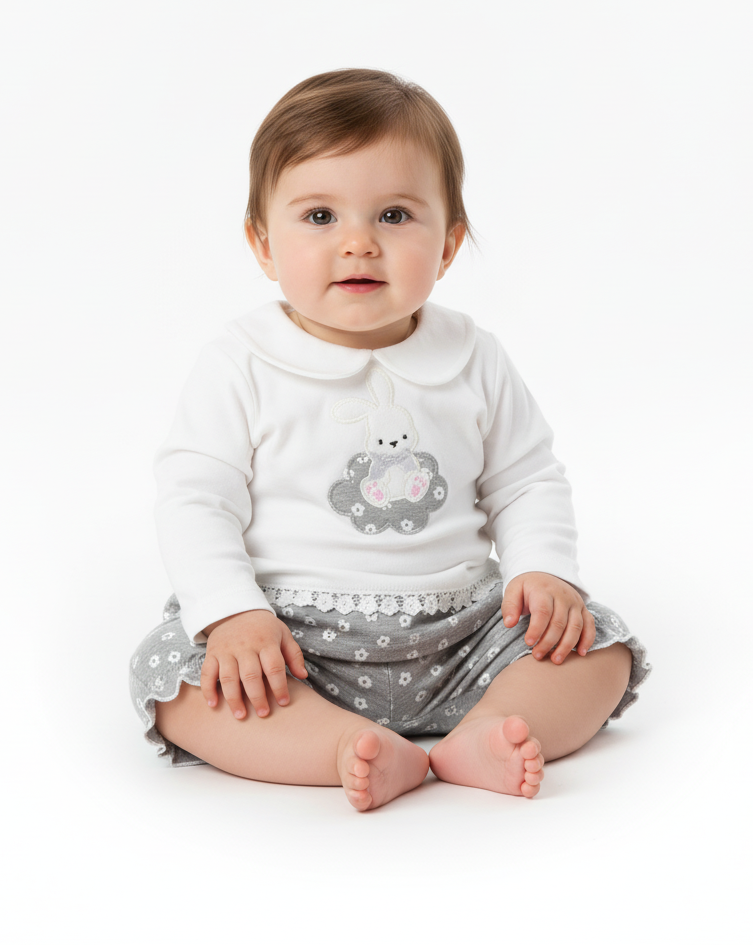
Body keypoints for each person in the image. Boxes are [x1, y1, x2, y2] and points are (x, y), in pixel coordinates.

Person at [129, 69, 650, 811]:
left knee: (598, 647)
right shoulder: (241, 361)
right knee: (172, 671)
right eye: (319, 217)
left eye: (395, 216)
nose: (358, 244)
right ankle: (337, 745)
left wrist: (542, 571)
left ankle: (490, 728)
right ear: (263, 244)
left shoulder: (472, 357)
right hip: (292, 643)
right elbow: (195, 498)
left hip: (463, 633)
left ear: (448, 245)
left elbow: (526, 479)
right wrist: (231, 612)